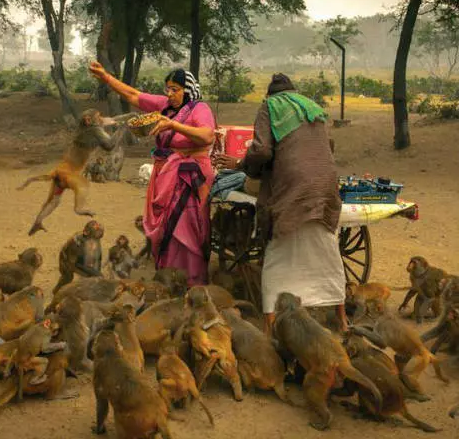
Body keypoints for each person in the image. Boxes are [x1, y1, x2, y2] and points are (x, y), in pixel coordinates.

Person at [215, 73, 345, 334]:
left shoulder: (269, 107)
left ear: (269, 95)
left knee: (277, 254)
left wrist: (241, 164)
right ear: (294, 92)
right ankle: (341, 318)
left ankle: (270, 322)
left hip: (292, 186)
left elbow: (262, 151)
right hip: (325, 184)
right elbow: (327, 145)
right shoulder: (313, 108)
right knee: (327, 250)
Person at [89, 62, 215, 286]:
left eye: (175, 89)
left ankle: (191, 278)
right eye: (168, 89)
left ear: (188, 89)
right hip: (166, 173)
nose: (170, 94)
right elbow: (134, 95)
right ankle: (168, 274)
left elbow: (206, 136)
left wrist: (174, 126)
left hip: (189, 176)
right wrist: (106, 77)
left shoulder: (199, 109)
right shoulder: (164, 106)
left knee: (184, 227)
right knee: (166, 225)